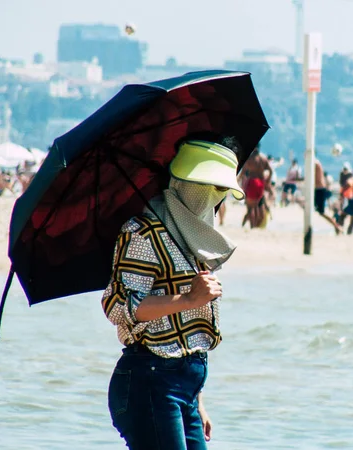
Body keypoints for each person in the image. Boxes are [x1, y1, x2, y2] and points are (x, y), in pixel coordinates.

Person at [102, 137, 246, 449]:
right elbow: (117, 306)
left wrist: (198, 401)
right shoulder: (143, 232)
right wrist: (189, 299)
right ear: (192, 187)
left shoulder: (193, 238)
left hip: (186, 386)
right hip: (150, 380)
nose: (217, 200)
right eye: (214, 190)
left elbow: (185, 336)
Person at [241, 144, 272, 228]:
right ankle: (255, 226)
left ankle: (252, 226)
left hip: (252, 182)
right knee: (256, 206)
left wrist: (236, 181)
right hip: (261, 183)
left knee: (250, 207)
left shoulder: (250, 158)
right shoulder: (264, 158)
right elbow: (270, 171)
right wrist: (267, 181)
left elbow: (243, 172)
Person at [314, 159, 343, 234]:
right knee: (320, 211)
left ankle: (337, 226)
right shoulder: (316, 163)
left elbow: (315, 178)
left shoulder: (315, 163)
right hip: (318, 189)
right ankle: (336, 225)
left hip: (319, 190)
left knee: (321, 212)